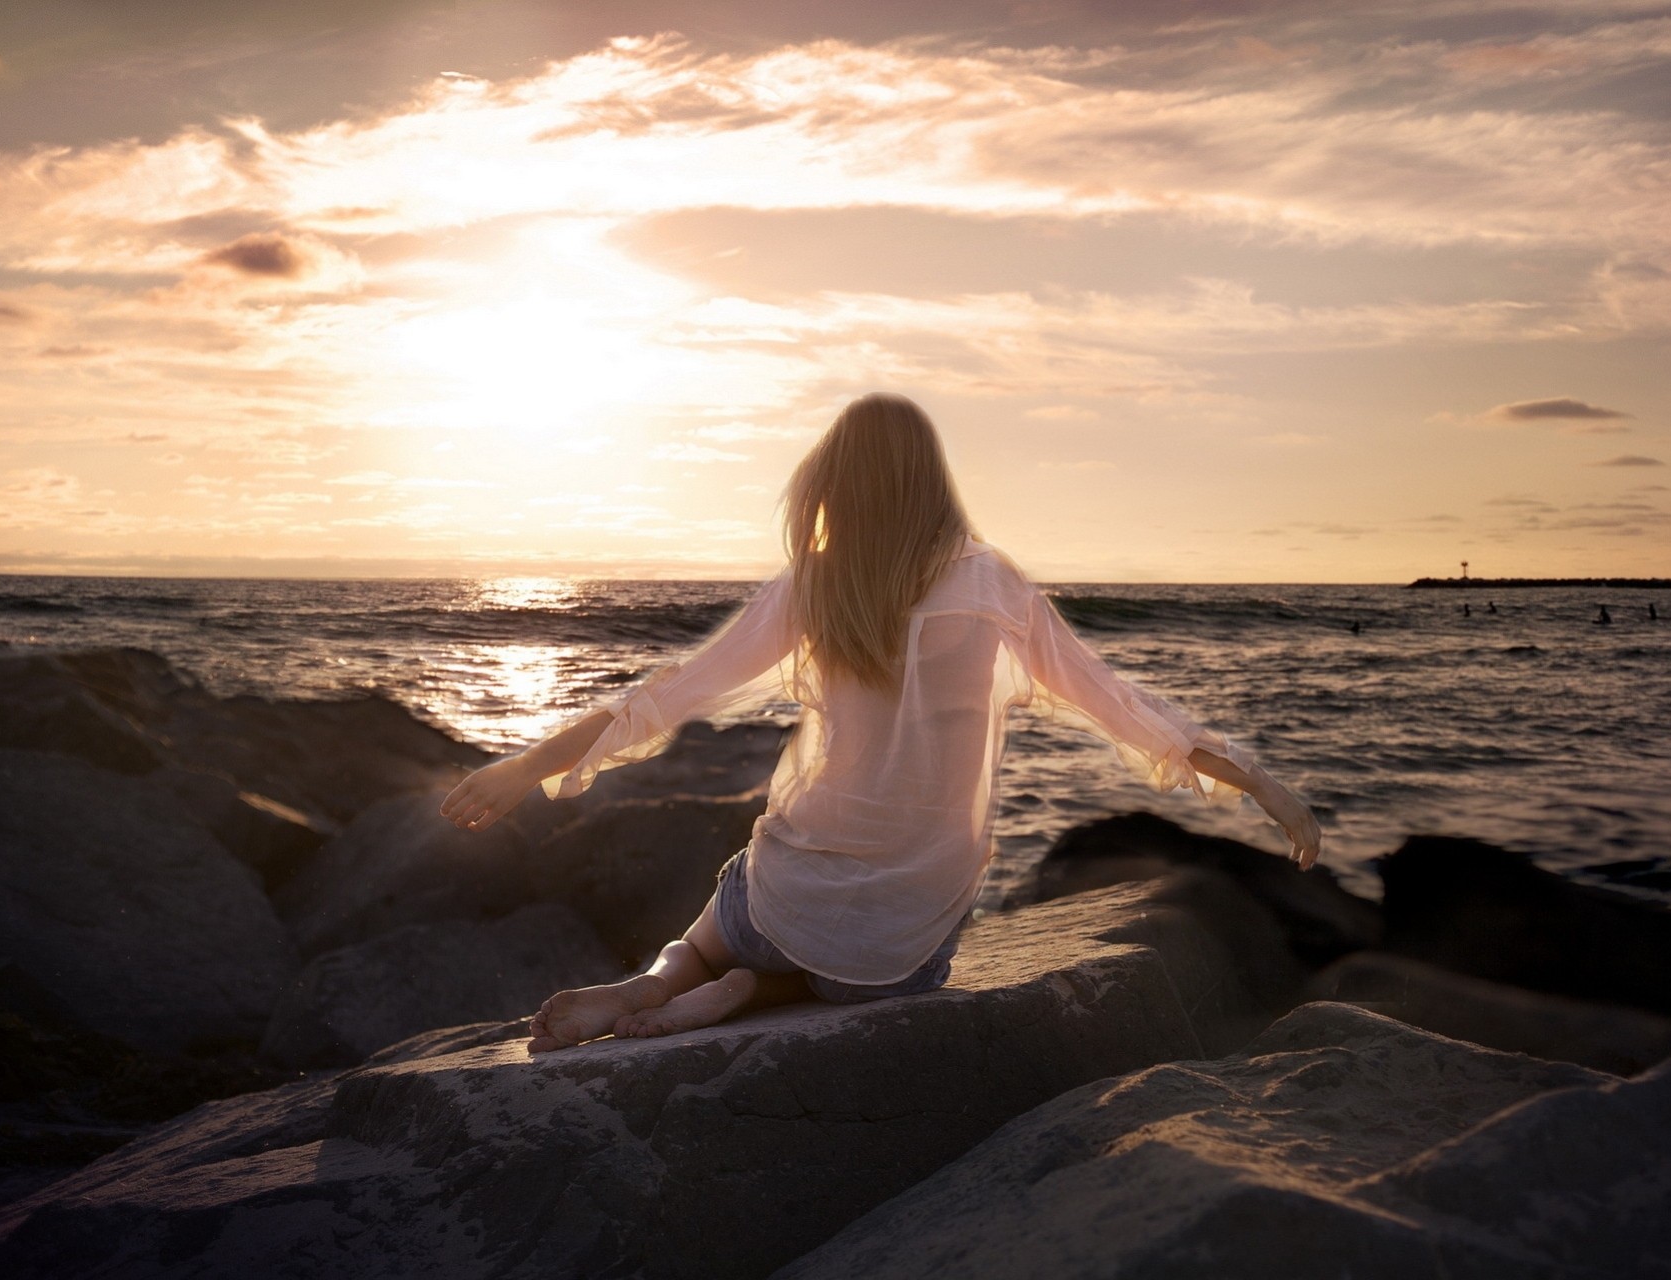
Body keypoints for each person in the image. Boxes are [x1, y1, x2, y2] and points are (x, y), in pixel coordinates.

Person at [440, 393, 1323, 1053]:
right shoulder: (993, 586)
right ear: (931, 482)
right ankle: (754, 992)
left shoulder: (814, 586)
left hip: (787, 891)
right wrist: (1262, 783)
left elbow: (668, 695)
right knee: (857, 954)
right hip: (902, 937)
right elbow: (1122, 706)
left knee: (710, 928)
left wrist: (524, 766)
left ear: (835, 481)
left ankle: (675, 982)